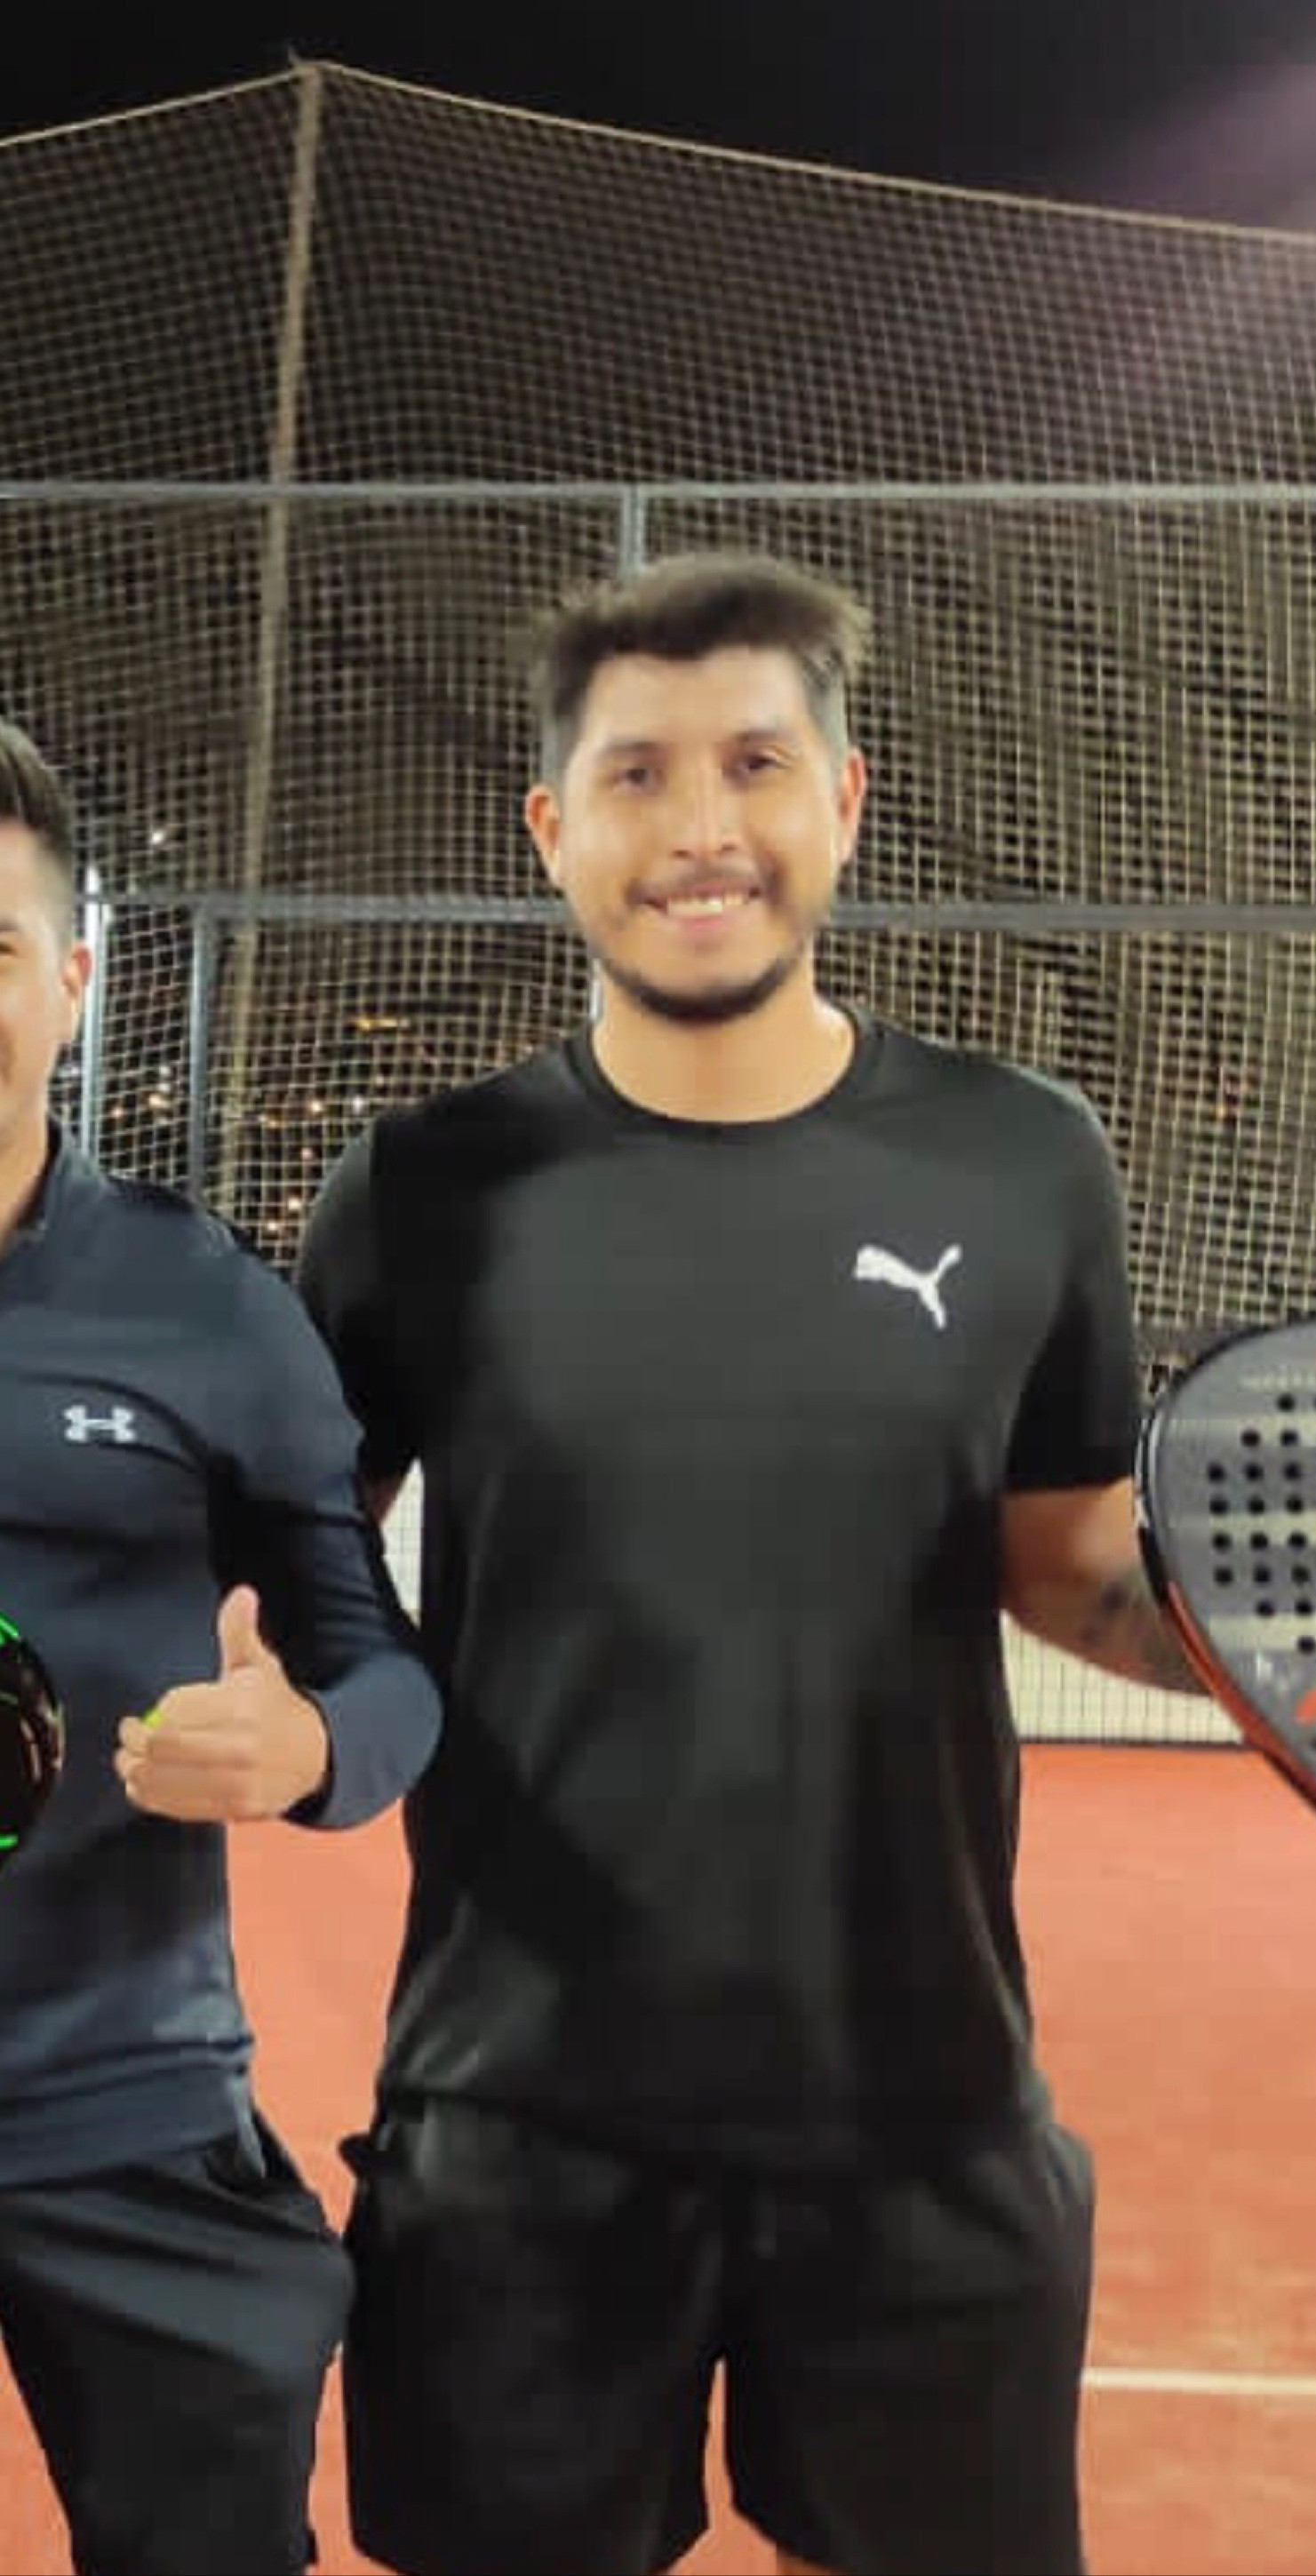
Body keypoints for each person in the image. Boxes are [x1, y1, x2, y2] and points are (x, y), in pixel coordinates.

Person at [295, 549, 1316, 2576]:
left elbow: (1077, 1573)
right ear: (552, 828)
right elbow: (303, 1562)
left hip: (923, 2110)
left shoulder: (1021, 1157)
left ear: (846, 800)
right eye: (638, 773)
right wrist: (287, 1692)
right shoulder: (422, 1188)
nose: (701, 825)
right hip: (515, 2115)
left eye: (755, 763)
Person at [0, 715, 443, 2576]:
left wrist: (309, 1749)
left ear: (74, 981)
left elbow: (382, 1670)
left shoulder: (200, 1304)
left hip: (122, 2102)